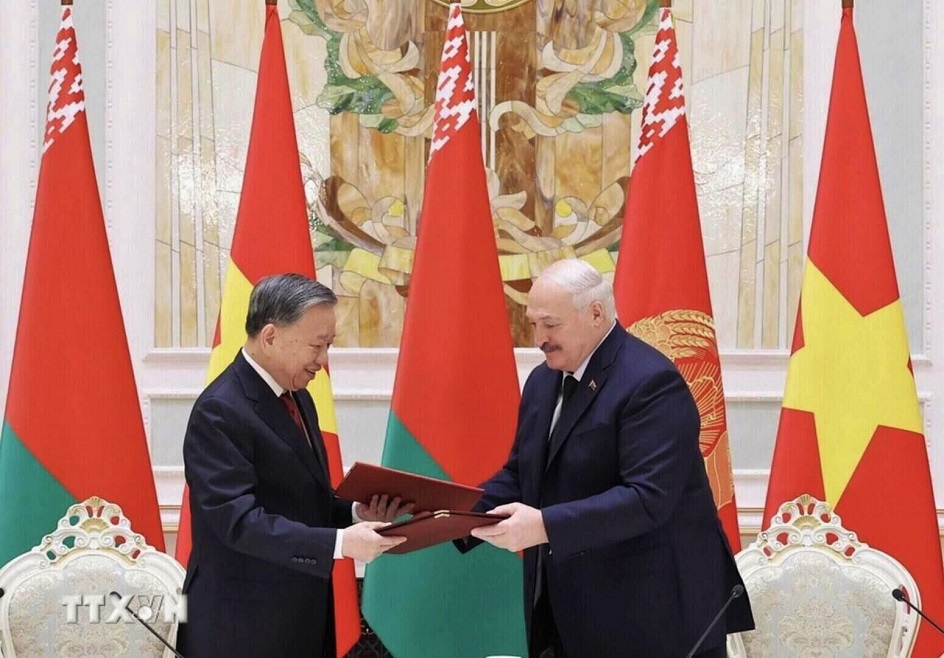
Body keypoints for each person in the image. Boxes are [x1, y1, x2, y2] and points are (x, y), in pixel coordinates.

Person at [466, 259, 754, 657]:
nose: (538, 339)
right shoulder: (542, 381)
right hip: (569, 612)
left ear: (596, 313)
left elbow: (647, 499)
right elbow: (523, 475)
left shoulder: (650, 381)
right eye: (533, 324)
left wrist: (544, 526)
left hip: (654, 619)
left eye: (550, 324)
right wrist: (451, 514)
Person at [179, 274, 409, 658]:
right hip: (241, 629)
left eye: (328, 346)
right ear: (270, 337)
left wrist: (355, 512)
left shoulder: (298, 396)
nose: (323, 360)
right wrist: (340, 543)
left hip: (299, 619)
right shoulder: (219, 410)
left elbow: (299, 499)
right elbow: (238, 522)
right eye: (316, 346)